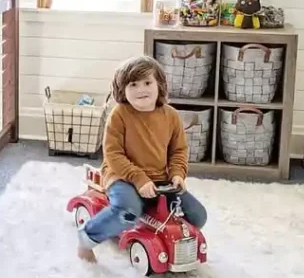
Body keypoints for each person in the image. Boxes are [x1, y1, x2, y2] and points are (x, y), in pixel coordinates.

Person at [77, 55, 207, 262]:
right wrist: (138, 179)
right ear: (122, 90)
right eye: (133, 85)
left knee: (198, 216)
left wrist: (177, 174)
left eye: (147, 83)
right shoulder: (119, 115)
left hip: (160, 178)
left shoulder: (171, 116)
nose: (141, 90)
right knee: (128, 211)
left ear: (160, 85)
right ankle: (87, 238)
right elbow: (113, 154)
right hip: (122, 176)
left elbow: (179, 151)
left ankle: (163, 237)